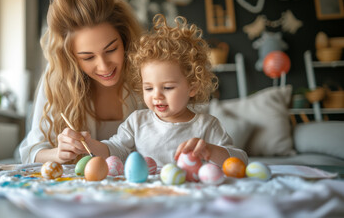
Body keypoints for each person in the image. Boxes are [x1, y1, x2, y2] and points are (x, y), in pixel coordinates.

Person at [82, 14, 248, 167]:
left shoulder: (207, 126)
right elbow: (115, 149)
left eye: (167, 87)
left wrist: (211, 150)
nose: (157, 95)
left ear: (192, 87)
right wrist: (87, 144)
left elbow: (241, 160)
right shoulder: (137, 122)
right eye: (148, 88)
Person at [19, 0, 144, 164]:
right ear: (71, 58)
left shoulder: (147, 70)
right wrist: (58, 154)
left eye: (111, 50)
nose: (104, 67)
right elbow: (29, 153)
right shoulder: (58, 76)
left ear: (124, 39)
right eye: (88, 57)